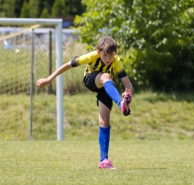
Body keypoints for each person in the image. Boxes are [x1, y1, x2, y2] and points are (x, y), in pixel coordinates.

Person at [36, 36, 133, 170]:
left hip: (106, 87)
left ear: (115, 52)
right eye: (105, 55)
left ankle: (103, 160)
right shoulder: (92, 56)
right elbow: (67, 65)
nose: (108, 59)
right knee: (106, 76)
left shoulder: (117, 61)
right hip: (91, 80)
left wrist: (128, 93)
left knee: (105, 121)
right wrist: (49, 79)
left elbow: (127, 84)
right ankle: (120, 103)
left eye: (111, 55)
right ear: (99, 52)